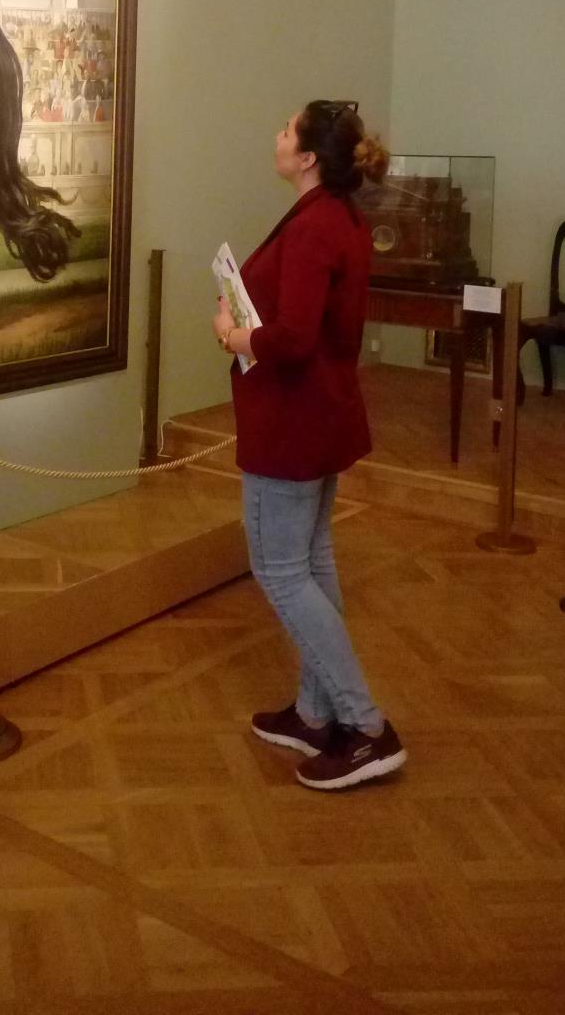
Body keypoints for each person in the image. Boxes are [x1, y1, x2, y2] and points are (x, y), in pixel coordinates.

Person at [211, 99, 406, 791]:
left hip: (291, 422)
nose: (277, 134)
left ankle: (366, 727)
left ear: (309, 157)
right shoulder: (337, 215)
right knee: (312, 563)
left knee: (280, 571)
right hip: (319, 416)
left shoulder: (316, 224)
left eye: (287, 128)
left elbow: (293, 338)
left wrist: (235, 335)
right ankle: (315, 714)